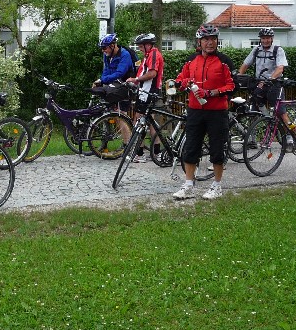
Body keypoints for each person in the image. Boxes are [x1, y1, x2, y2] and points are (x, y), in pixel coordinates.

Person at [173, 24, 235, 200]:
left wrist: (211, 92)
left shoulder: (224, 61)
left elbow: (232, 86)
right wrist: (182, 83)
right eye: (206, 39)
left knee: (217, 149)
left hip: (216, 111)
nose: (210, 43)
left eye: (213, 39)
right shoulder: (191, 60)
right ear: (199, 41)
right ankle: (188, 184)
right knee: (191, 147)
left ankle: (216, 186)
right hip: (195, 110)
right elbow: (180, 79)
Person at [237, 28, 296, 136]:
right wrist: (238, 78)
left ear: (272, 39)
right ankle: (252, 139)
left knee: (280, 112)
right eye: (263, 38)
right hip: (260, 83)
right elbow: (245, 65)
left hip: (274, 84)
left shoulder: (278, 50)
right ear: (260, 39)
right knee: (254, 110)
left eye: (268, 38)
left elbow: (280, 68)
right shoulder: (256, 50)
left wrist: (270, 79)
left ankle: (293, 134)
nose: (266, 40)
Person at [126, 32, 164, 163]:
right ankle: (157, 152)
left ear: (148, 45)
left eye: (141, 46)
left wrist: (136, 79)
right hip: (145, 92)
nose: (140, 48)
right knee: (150, 122)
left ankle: (140, 154)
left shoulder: (153, 54)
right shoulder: (149, 55)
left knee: (139, 121)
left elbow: (152, 73)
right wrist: (136, 82)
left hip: (149, 93)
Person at [95, 33, 135, 144]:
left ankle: (129, 145)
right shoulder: (107, 56)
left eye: (104, 48)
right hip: (114, 88)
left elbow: (119, 73)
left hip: (126, 88)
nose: (103, 51)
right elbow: (106, 71)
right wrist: (102, 81)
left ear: (113, 45)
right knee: (116, 116)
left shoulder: (125, 55)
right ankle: (126, 143)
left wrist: (103, 80)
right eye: (101, 48)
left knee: (122, 116)